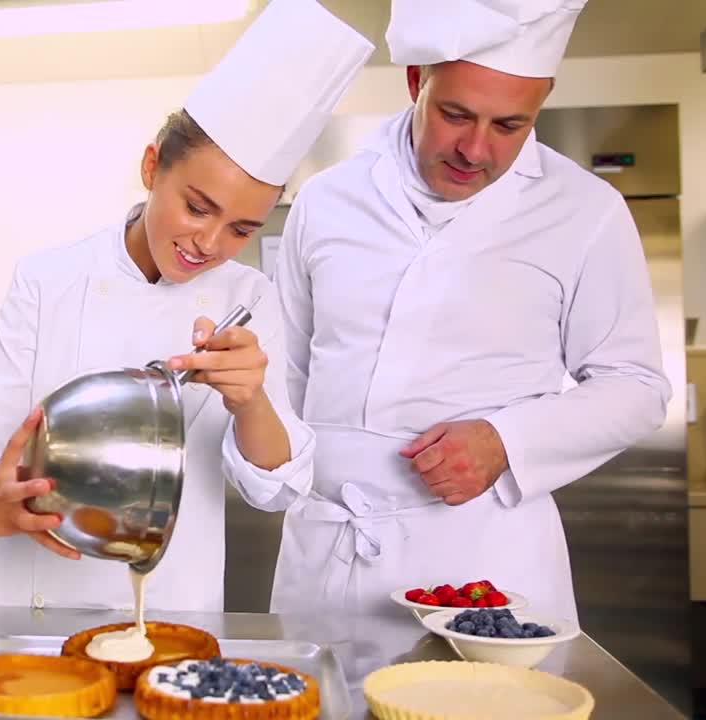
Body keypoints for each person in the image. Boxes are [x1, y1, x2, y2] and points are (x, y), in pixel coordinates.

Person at [0, 0, 373, 612]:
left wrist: (249, 399)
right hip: (14, 603)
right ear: (151, 167)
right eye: (198, 207)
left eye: (242, 229)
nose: (210, 244)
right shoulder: (47, 279)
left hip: (161, 608)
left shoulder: (248, 301)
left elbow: (275, 489)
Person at [267, 0, 672, 623]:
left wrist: (503, 443)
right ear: (414, 83)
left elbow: (637, 388)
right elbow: (287, 373)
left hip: (484, 557)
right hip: (327, 558)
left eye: (509, 126)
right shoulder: (326, 200)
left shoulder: (586, 212)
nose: (475, 149)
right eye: (455, 115)